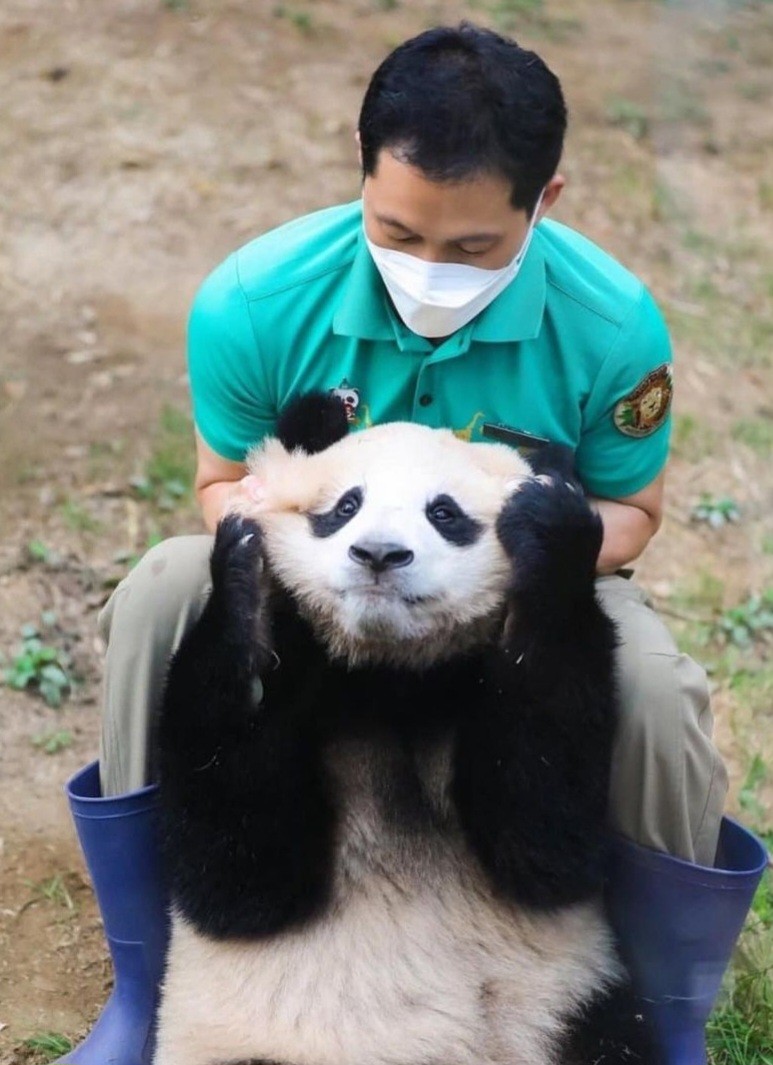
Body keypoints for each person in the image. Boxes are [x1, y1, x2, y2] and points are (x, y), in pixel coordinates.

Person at [59, 22, 767, 1065]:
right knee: (167, 585)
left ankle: (668, 1011)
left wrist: (540, 566)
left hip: (513, 581)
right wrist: (275, 565)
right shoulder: (255, 300)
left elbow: (634, 513)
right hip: (316, 576)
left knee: (655, 688)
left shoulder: (611, 324)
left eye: (470, 247)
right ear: (361, 171)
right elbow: (226, 487)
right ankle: (140, 979)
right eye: (396, 231)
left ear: (544, 201)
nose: (428, 265)